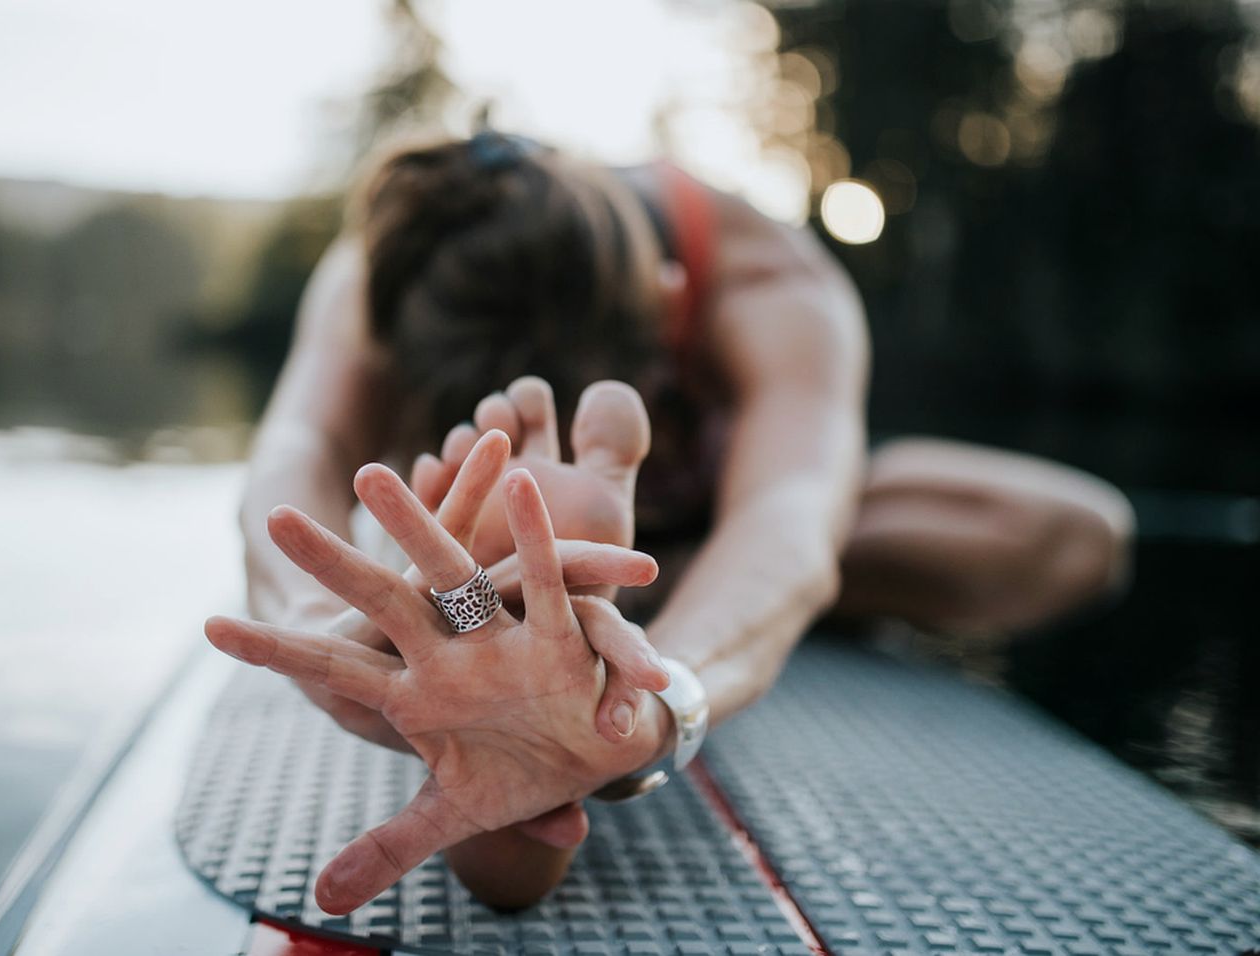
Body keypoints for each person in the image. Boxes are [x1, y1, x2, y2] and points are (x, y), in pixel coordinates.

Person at [203, 131, 1134, 914]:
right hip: (512, 535)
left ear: (668, 295)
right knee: (479, 504)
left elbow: (791, 514)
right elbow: (293, 458)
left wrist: (640, 713)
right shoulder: (386, 266)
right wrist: (322, 645)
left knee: (1074, 532)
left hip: (729, 514)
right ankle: (533, 582)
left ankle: (618, 595)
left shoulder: (771, 278)